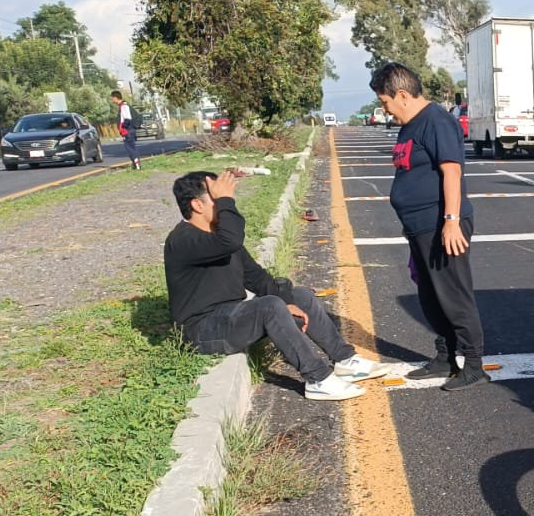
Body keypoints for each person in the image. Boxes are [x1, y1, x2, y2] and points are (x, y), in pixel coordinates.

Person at [164, 170, 387, 401]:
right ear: (197, 205)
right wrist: (226, 199)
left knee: (299, 296)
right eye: (217, 199)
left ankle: (345, 360)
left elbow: (256, 278)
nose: (225, 204)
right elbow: (231, 239)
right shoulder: (183, 240)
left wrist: (288, 302)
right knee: (269, 306)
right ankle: (318, 379)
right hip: (202, 330)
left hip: (230, 317)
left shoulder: (220, 239)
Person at [370, 61, 487, 391]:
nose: (387, 111)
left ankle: (474, 364)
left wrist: (451, 221)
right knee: (431, 297)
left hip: (441, 224)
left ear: (403, 95)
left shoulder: (436, 120)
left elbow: (452, 172)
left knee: (453, 295)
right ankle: (444, 357)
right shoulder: (410, 124)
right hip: (419, 227)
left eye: (386, 103)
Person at [111, 90, 140, 170]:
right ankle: (135, 164)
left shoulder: (124, 106)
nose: (112, 100)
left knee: (130, 148)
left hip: (128, 130)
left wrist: (123, 126)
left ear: (115, 97)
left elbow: (127, 118)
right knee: (129, 148)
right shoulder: (121, 106)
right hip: (127, 130)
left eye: (112, 98)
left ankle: (137, 165)